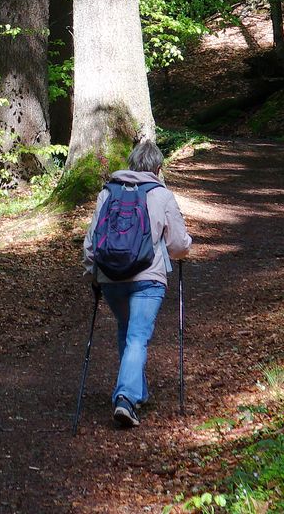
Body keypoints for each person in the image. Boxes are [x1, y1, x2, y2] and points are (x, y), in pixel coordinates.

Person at [81, 137, 193, 428]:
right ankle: (127, 397)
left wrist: (93, 273)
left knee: (127, 330)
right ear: (157, 168)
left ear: (130, 164)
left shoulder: (108, 192)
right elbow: (179, 245)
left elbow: (92, 241)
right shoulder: (161, 194)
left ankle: (137, 390)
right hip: (147, 278)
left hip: (111, 278)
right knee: (137, 336)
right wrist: (186, 245)